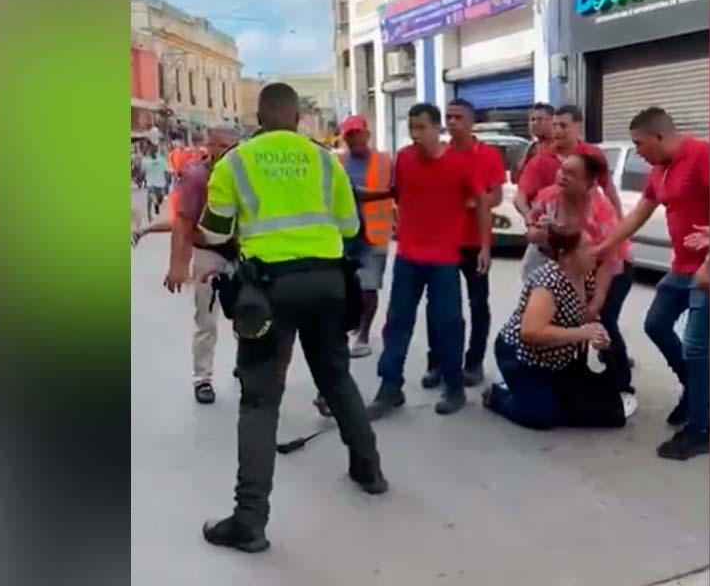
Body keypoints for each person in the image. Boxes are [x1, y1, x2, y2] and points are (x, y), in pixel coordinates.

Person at [196, 83, 385, 553]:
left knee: (260, 402)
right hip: (327, 284)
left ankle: (249, 521)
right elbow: (349, 228)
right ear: (298, 118)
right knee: (336, 377)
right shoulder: (326, 160)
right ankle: (369, 470)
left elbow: (215, 231)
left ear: (259, 117)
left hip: (268, 291)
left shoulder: (235, 161)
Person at [594, 106, 709, 461]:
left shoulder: (702, 156)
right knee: (656, 324)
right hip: (681, 267)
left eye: (639, 144)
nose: (638, 152)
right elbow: (639, 214)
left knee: (696, 346)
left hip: (709, 266)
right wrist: (602, 246)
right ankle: (694, 390)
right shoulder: (659, 170)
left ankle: (702, 428)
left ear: (659, 136)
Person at [366, 102, 491, 419]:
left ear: (438, 129)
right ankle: (390, 387)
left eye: (422, 127)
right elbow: (401, 195)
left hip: (445, 258)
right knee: (397, 323)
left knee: (447, 323)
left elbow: (480, 205)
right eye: (412, 128)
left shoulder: (460, 164)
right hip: (408, 255)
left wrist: (484, 247)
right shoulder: (405, 159)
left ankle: (454, 386)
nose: (415, 134)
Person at [526, 152, 638, 417]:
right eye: (562, 170)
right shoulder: (548, 197)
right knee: (565, 322)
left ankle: (622, 384)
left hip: (611, 268)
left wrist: (596, 300)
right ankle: (568, 375)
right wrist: (542, 233)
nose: (562, 176)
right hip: (570, 267)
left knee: (603, 321)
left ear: (589, 183)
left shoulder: (600, 210)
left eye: (571, 174)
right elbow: (530, 231)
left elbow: (609, 260)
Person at [136, 126, 240, 405]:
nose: (228, 152)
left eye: (232, 146)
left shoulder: (243, 174)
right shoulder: (197, 178)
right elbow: (182, 224)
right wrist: (177, 266)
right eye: (221, 146)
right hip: (209, 254)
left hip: (241, 254)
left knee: (247, 313)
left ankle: (245, 365)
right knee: (206, 319)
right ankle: (202, 378)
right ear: (210, 146)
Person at [482, 227, 625, 430]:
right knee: (541, 416)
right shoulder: (548, 283)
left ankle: (533, 391)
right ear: (565, 257)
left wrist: (598, 335)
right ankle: (497, 396)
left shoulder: (585, 275)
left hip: (557, 358)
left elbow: (584, 315)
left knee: (579, 407)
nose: (593, 251)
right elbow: (531, 332)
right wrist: (581, 333)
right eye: (586, 247)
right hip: (522, 357)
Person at [419, 98, 505, 388]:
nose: (452, 122)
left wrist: (472, 203)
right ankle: (438, 363)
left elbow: (496, 196)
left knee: (478, 303)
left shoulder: (488, 155)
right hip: (443, 243)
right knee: (440, 305)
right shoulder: (437, 154)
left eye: (458, 117)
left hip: (475, 242)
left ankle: (474, 362)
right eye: (449, 117)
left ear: (470, 122)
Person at [514, 105, 623, 231]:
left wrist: (620, 223)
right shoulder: (539, 161)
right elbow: (520, 197)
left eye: (563, 126)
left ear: (578, 127)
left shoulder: (593, 154)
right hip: (552, 233)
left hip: (590, 230)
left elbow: (609, 190)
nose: (557, 131)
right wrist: (530, 221)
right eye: (554, 126)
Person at [337, 114, 393, 358]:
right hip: (345, 236)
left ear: (367, 134)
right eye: (349, 135)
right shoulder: (337, 163)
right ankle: (350, 324)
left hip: (375, 235)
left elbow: (396, 190)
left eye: (357, 133)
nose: (354, 139)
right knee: (347, 287)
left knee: (370, 287)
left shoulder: (385, 161)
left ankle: (362, 334)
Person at [512, 102, 556, 183]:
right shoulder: (532, 147)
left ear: (552, 121)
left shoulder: (560, 145)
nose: (534, 123)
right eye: (532, 120)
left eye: (540, 119)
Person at [141, 142, 169, 218]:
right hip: (151, 183)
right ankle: (150, 214)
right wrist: (143, 178)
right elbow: (142, 171)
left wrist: (167, 181)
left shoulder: (161, 159)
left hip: (161, 183)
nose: (152, 151)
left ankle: (157, 204)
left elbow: (166, 170)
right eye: (151, 149)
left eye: (155, 149)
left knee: (160, 199)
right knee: (151, 197)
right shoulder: (145, 160)